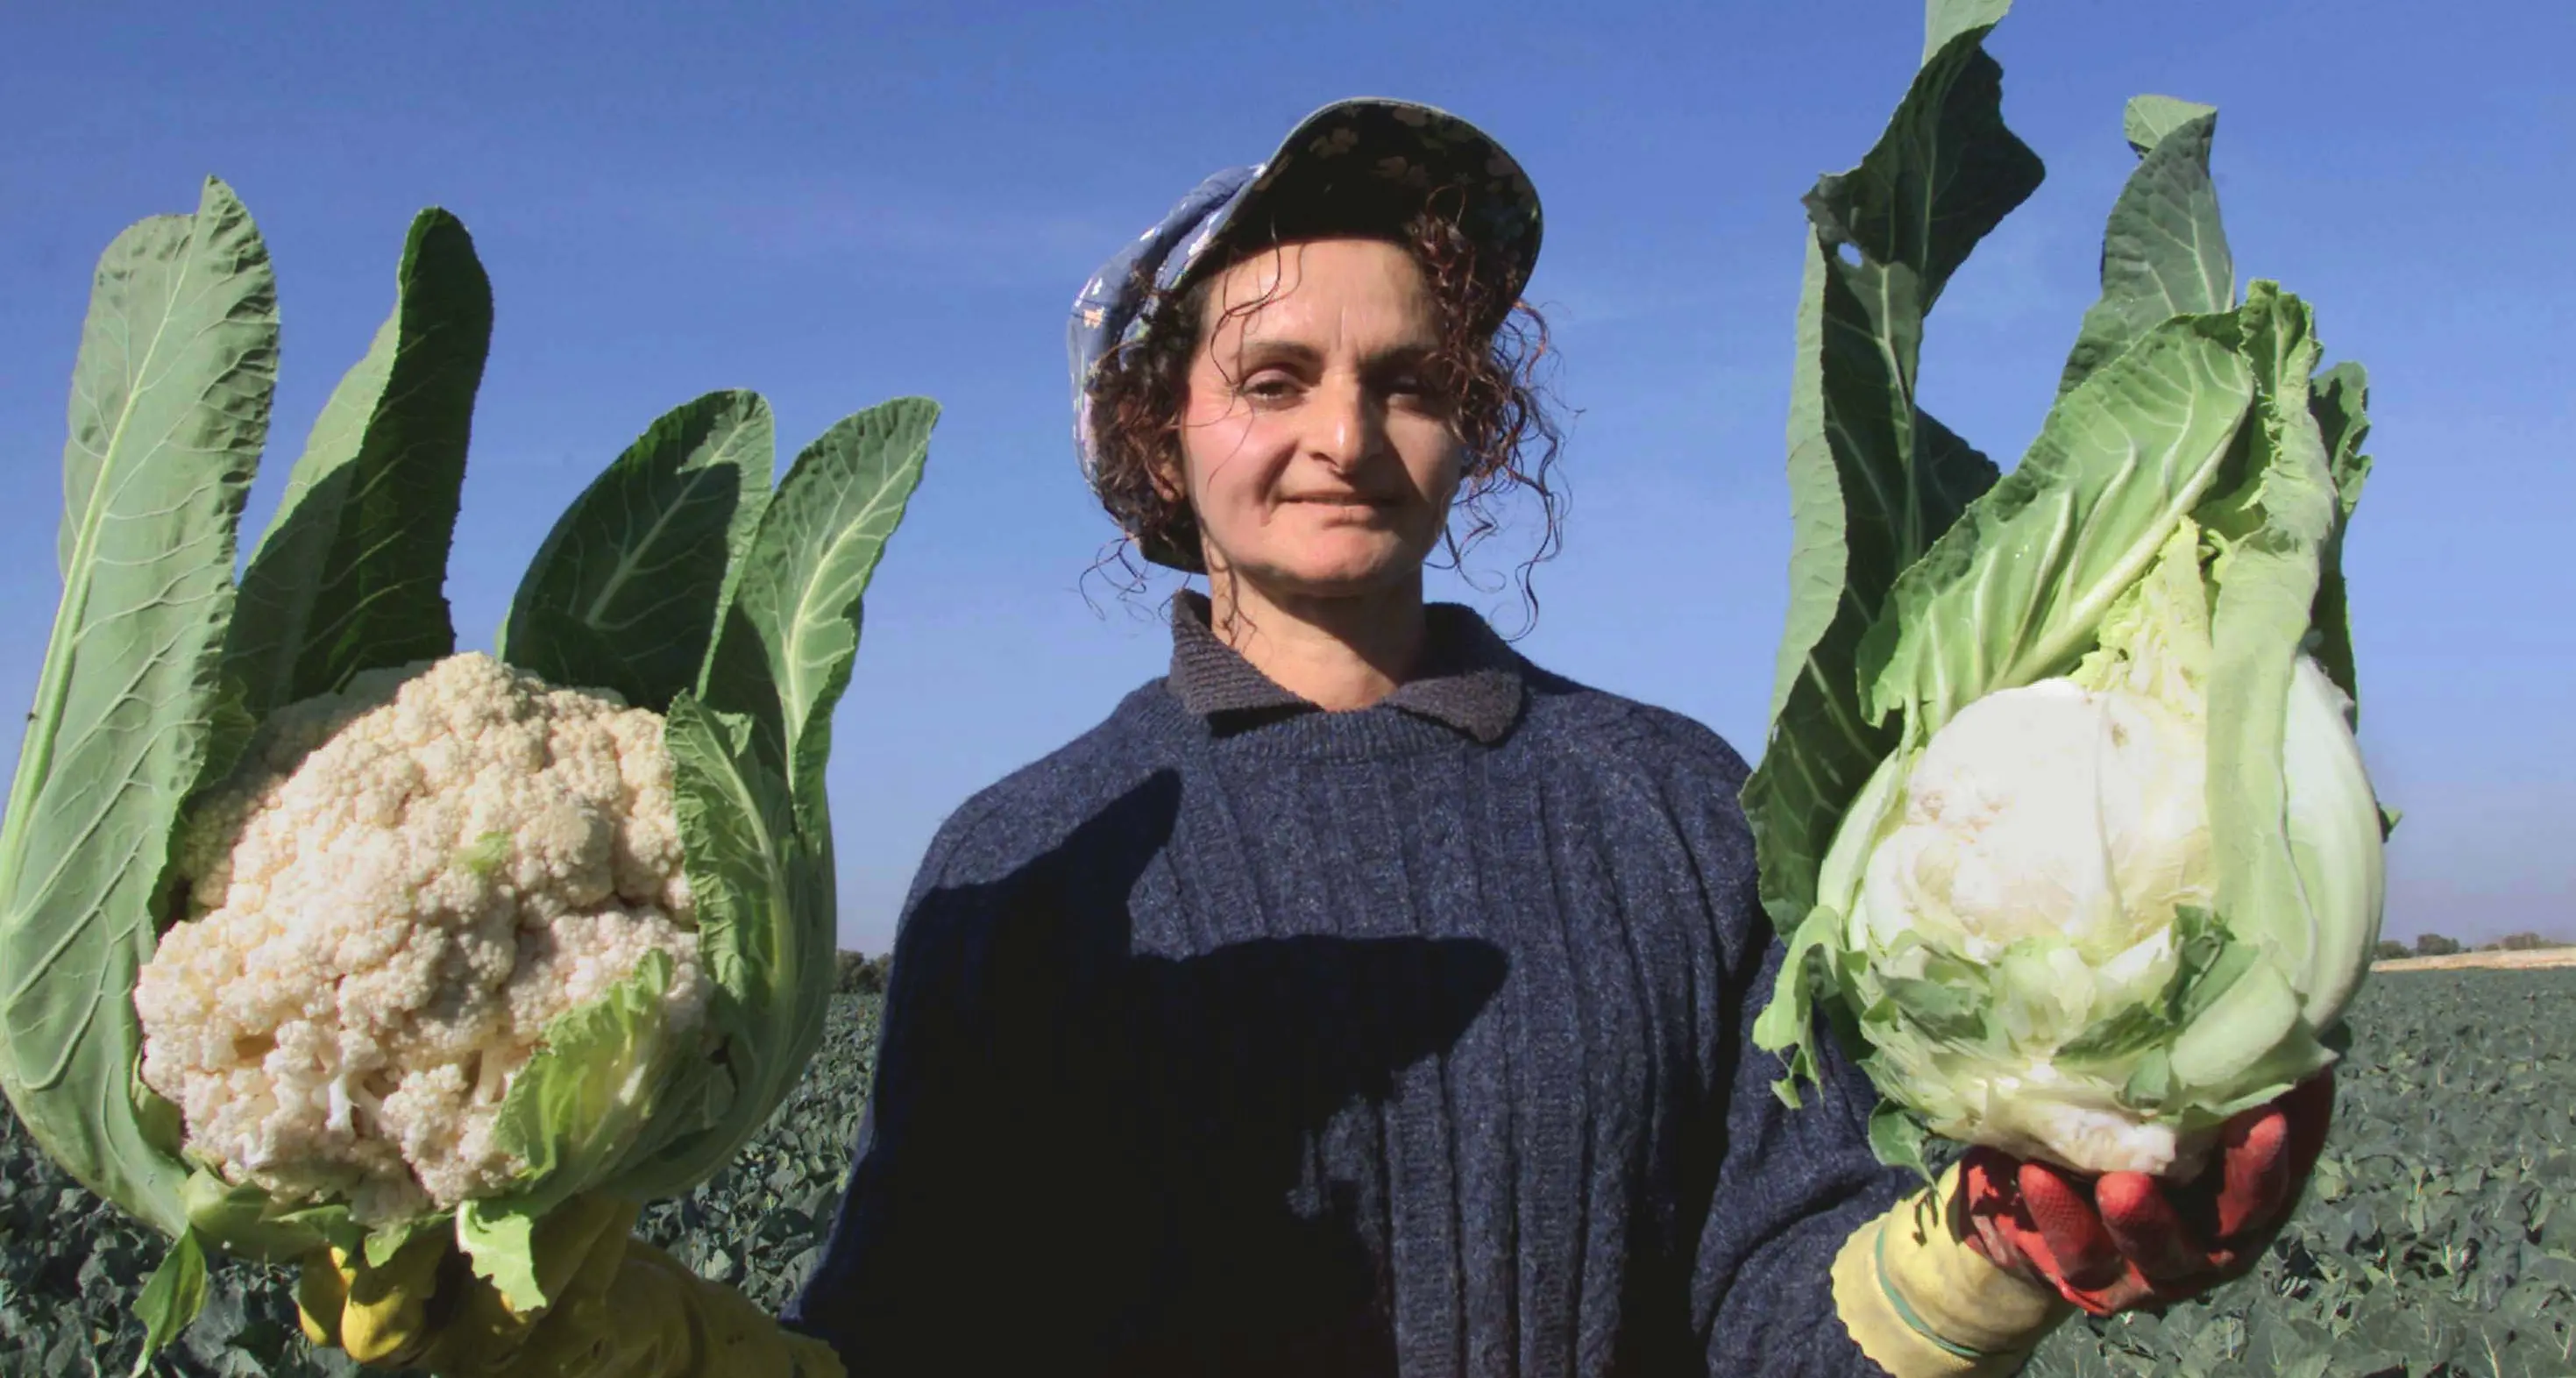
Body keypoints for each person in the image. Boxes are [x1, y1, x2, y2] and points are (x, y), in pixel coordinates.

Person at [295, 98, 2333, 1378]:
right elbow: (926, 1340)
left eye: (1410, 376)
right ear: (1156, 434)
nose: (1342, 434)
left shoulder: (1677, 803)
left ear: (1479, 427)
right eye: (1270, 374)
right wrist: (605, 1348)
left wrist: (1972, 1269)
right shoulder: (1032, 858)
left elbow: (1764, 1296)